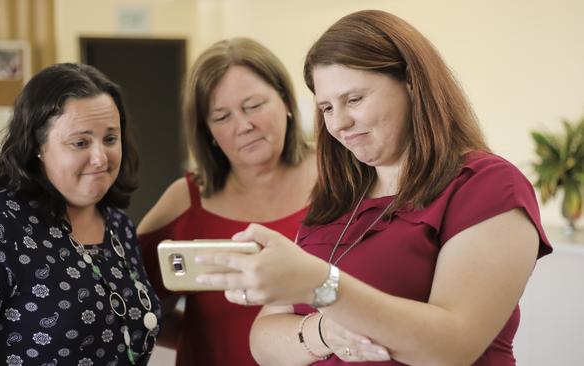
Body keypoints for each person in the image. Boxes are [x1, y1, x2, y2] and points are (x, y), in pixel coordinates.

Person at [194, 10, 553, 366]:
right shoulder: (340, 196)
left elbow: (451, 347)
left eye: (354, 100)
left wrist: (322, 285)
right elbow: (264, 341)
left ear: (412, 84)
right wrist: (325, 332)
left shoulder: (487, 186)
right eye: (326, 107)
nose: (339, 122)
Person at [0, 63, 160, 365]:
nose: (100, 157)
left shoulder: (119, 226)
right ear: (37, 147)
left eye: (110, 139)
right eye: (80, 142)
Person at [136, 37, 318, 366]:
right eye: (222, 117)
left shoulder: (340, 178)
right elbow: (132, 300)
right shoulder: (185, 199)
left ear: (286, 101)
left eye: (254, 106)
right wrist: (199, 336)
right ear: (207, 132)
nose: (244, 125)